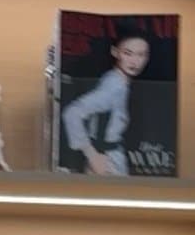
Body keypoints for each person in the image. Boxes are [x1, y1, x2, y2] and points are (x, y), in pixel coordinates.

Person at [61, 20, 151, 177]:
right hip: (107, 161)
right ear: (115, 52)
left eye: (141, 55)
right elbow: (72, 113)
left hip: (111, 157)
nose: (134, 61)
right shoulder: (114, 85)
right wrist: (92, 155)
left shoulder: (119, 81)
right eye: (127, 53)